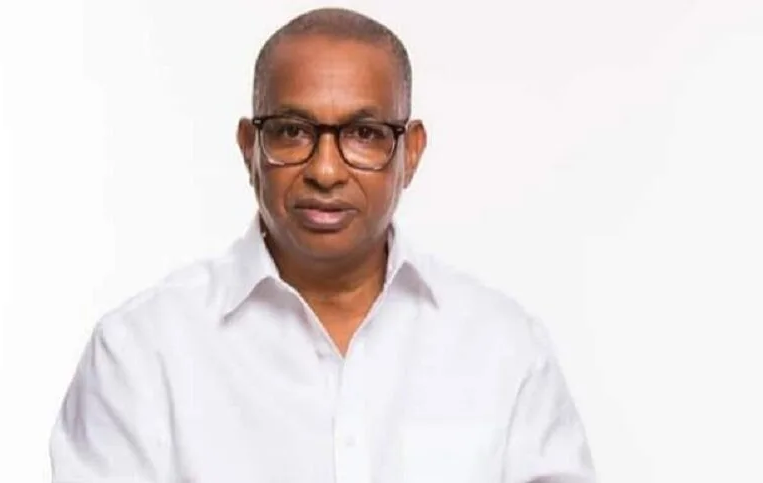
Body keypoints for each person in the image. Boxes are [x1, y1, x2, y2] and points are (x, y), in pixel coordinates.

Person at [50, 7, 596, 483]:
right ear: (249, 147)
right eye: (292, 131)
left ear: (411, 153)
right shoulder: (140, 353)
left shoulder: (504, 348)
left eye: (365, 134)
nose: (326, 170)